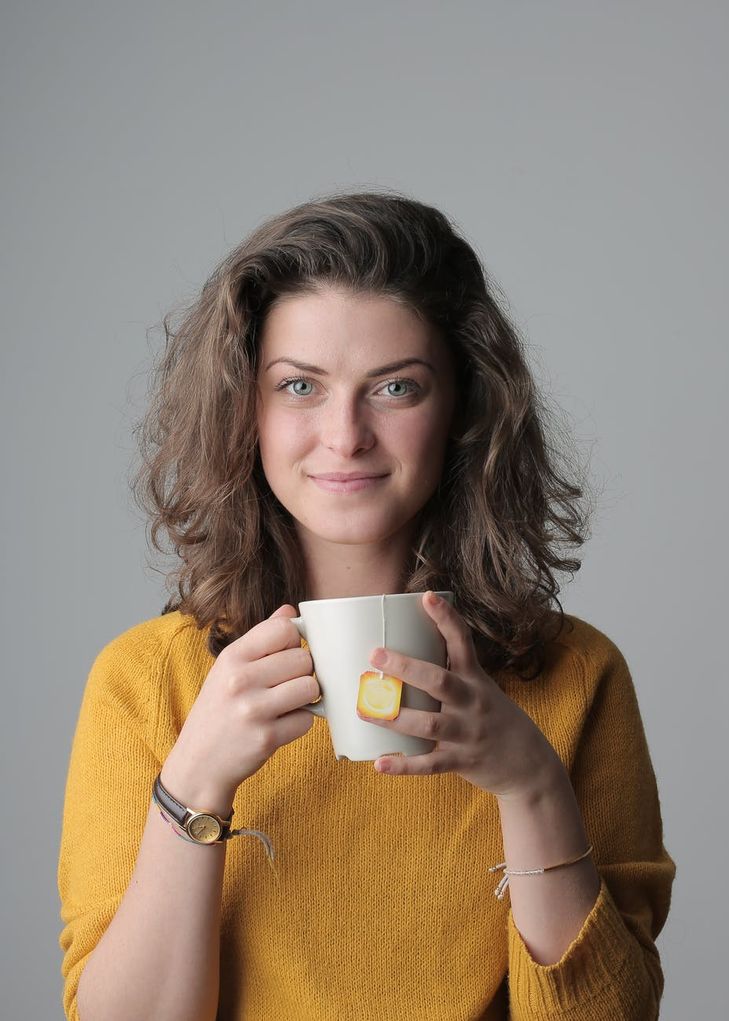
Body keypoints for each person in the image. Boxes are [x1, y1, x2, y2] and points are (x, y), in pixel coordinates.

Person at [57, 190, 675, 1021]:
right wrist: (195, 779)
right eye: (301, 385)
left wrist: (532, 786)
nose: (345, 435)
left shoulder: (575, 677)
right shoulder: (144, 682)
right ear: (247, 407)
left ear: (462, 408)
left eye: (394, 388)